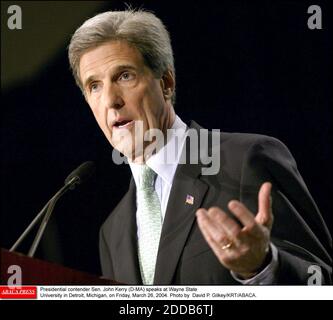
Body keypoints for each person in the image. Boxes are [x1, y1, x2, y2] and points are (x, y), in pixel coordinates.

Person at [68, 9, 331, 285]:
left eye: (124, 76)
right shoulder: (112, 234)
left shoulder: (244, 160)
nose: (110, 100)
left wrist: (264, 266)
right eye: (94, 86)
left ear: (166, 83)